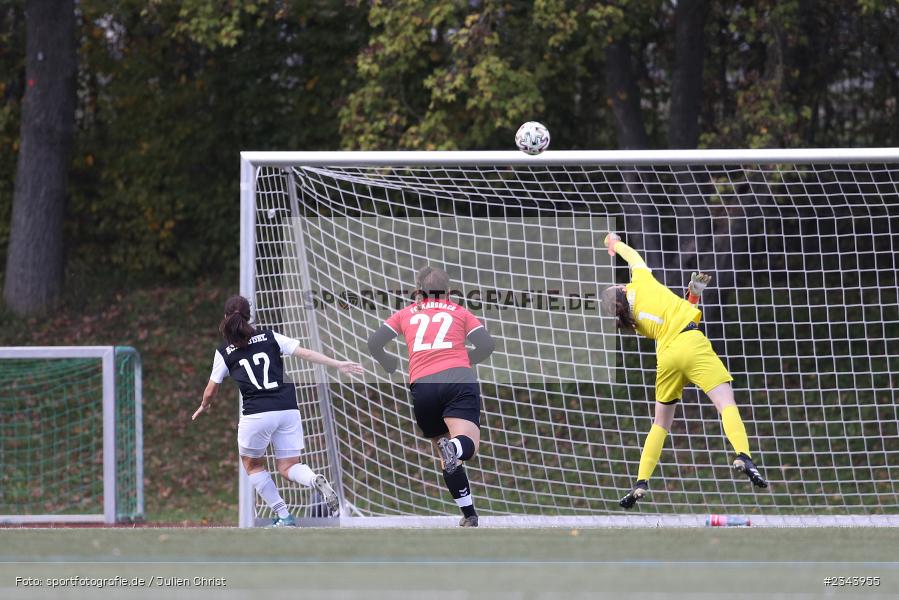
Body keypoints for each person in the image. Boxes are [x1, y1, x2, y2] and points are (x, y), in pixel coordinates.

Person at [601, 233, 768, 509]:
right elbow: (632, 256)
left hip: (666, 357)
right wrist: (613, 242)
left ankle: (640, 481)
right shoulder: (641, 282)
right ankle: (743, 454)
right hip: (690, 343)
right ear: (622, 287)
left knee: (660, 423)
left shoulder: (635, 322)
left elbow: (677, 313)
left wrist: (693, 294)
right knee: (726, 403)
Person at [193, 295, 363, 527]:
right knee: (288, 466)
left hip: (256, 413)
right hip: (287, 408)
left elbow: (211, 389)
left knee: (252, 465)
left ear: (225, 317)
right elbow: (305, 353)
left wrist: (205, 405)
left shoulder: (224, 351)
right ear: (249, 316)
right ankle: (314, 478)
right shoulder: (270, 336)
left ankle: (284, 516)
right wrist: (338, 364)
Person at [368, 266, 495, 527]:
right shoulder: (460, 312)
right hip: (457, 379)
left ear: (418, 291)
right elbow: (486, 345)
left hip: (423, 385)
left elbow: (374, 343)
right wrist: (464, 360)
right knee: (464, 447)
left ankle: (469, 514)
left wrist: (389, 363)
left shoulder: (405, 314)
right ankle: (456, 449)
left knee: (446, 455)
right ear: (449, 291)